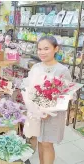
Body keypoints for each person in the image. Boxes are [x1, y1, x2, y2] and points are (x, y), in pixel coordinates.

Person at [23, 35, 72, 164]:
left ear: (56, 49)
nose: (42, 52)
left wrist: (49, 110)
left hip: (53, 115)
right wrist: (35, 108)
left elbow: (67, 95)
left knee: (47, 144)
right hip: (37, 113)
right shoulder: (36, 67)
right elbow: (30, 89)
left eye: (46, 48)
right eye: (39, 49)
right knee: (40, 141)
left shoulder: (62, 70)